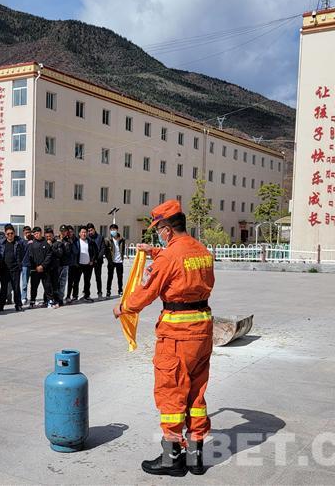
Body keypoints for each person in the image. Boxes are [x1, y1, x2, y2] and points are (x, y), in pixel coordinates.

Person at [113, 200, 215, 476]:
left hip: (177, 335)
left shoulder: (169, 257)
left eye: (158, 229)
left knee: (171, 392)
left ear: (167, 229)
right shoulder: (202, 251)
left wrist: (123, 307)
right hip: (202, 330)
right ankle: (195, 458)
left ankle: (171, 459)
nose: (158, 234)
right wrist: (155, 251)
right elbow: (179, 262)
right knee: (196, 393)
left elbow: (148, 291)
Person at [0, 224, 25, 312]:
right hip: (4, 269)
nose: (10, 235)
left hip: (15, 269)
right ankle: (0, 306)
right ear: (5, 234)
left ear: (14, 233)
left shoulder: (19, 242)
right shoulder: (1, 243)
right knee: (3, 288)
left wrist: (20, 264)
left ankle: (18, 305)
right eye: (8, 234)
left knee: (16, 288)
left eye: (11, 233)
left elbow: (23, 253)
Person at [27, 227, 53, 308]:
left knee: (47, 286)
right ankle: (32, 301)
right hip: (35, 269)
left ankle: (49, 301)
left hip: (45, 269)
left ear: (41, 233)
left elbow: (49, 255)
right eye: (34, 234)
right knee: (34, 286)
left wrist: (43, 265)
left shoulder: (46, 243)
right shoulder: (31, 244)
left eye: (37, 233)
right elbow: (30, 256)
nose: (36, 235)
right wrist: (36, 267)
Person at [71, 226, 97, 303]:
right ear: (79, 233)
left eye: (85, 232)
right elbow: (73, 253)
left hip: (88, 265)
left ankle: (86, 295)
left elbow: (95, 252)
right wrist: (75, 262)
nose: (84, 234)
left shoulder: (90, 242)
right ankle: (74, 296)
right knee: (76, 281)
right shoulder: (76, 242)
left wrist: (92, 260)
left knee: (87, 281)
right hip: (78, 265)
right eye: (82, 232)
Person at [104, 223, 126, 297]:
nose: (113, 231)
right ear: (110, 230)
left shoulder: (122, 239)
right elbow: (106, 251)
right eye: (111, 230)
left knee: (120, 277)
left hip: (119, 261)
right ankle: (108, 291)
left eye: (114, 229)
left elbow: (123, 249)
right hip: (111, 261)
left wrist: (122, 258)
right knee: (110, 277)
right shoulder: (107, 239)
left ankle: (120, 290)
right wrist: (109, 259)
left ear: (117, 230)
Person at [45, 228, 64, 308]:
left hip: (55, 267)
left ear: (53, 235)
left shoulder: (58, 243)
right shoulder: (44, 243)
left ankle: (56, 300)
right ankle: (47, 300)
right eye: (47, 236)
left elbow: (60, 254)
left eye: (50, 236)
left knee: (55, 285)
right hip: (46, 267)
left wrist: (51, 246)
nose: (48, 238)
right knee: (47, 285)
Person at [54, 225, 72, 306]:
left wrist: (62, 243)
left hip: (65, 264)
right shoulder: (56, 239)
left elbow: (68, 252)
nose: (63, 233)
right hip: (57, 265)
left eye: (64, 231)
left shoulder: (68, 241)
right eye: (62, 231)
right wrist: (59, 242)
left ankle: (60, 298)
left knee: (62, 283)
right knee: (56, 282)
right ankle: (55, 298)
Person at [87, 223, 105, 297]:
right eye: (89, 231)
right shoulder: (87, 238)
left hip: (98, 261)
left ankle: (99, 292)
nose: (90, 232)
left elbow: (102, 249)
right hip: (89, 262)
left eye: (91, 230)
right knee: (88, 278)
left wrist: (97, 259)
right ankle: (86, 293)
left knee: (98, 277)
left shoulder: (100, 237)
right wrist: (90, 259)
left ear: (94, 229)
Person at [20, 225, 33, 304]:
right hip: (25, 264)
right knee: (24, 283)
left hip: (33, 264)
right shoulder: (21, 241)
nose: (28, 234)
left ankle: (32, 297)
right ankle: (23, 297)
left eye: (29, 232)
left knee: (33, 283)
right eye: (26, 232)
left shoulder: (33, 240)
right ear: (23, 232)